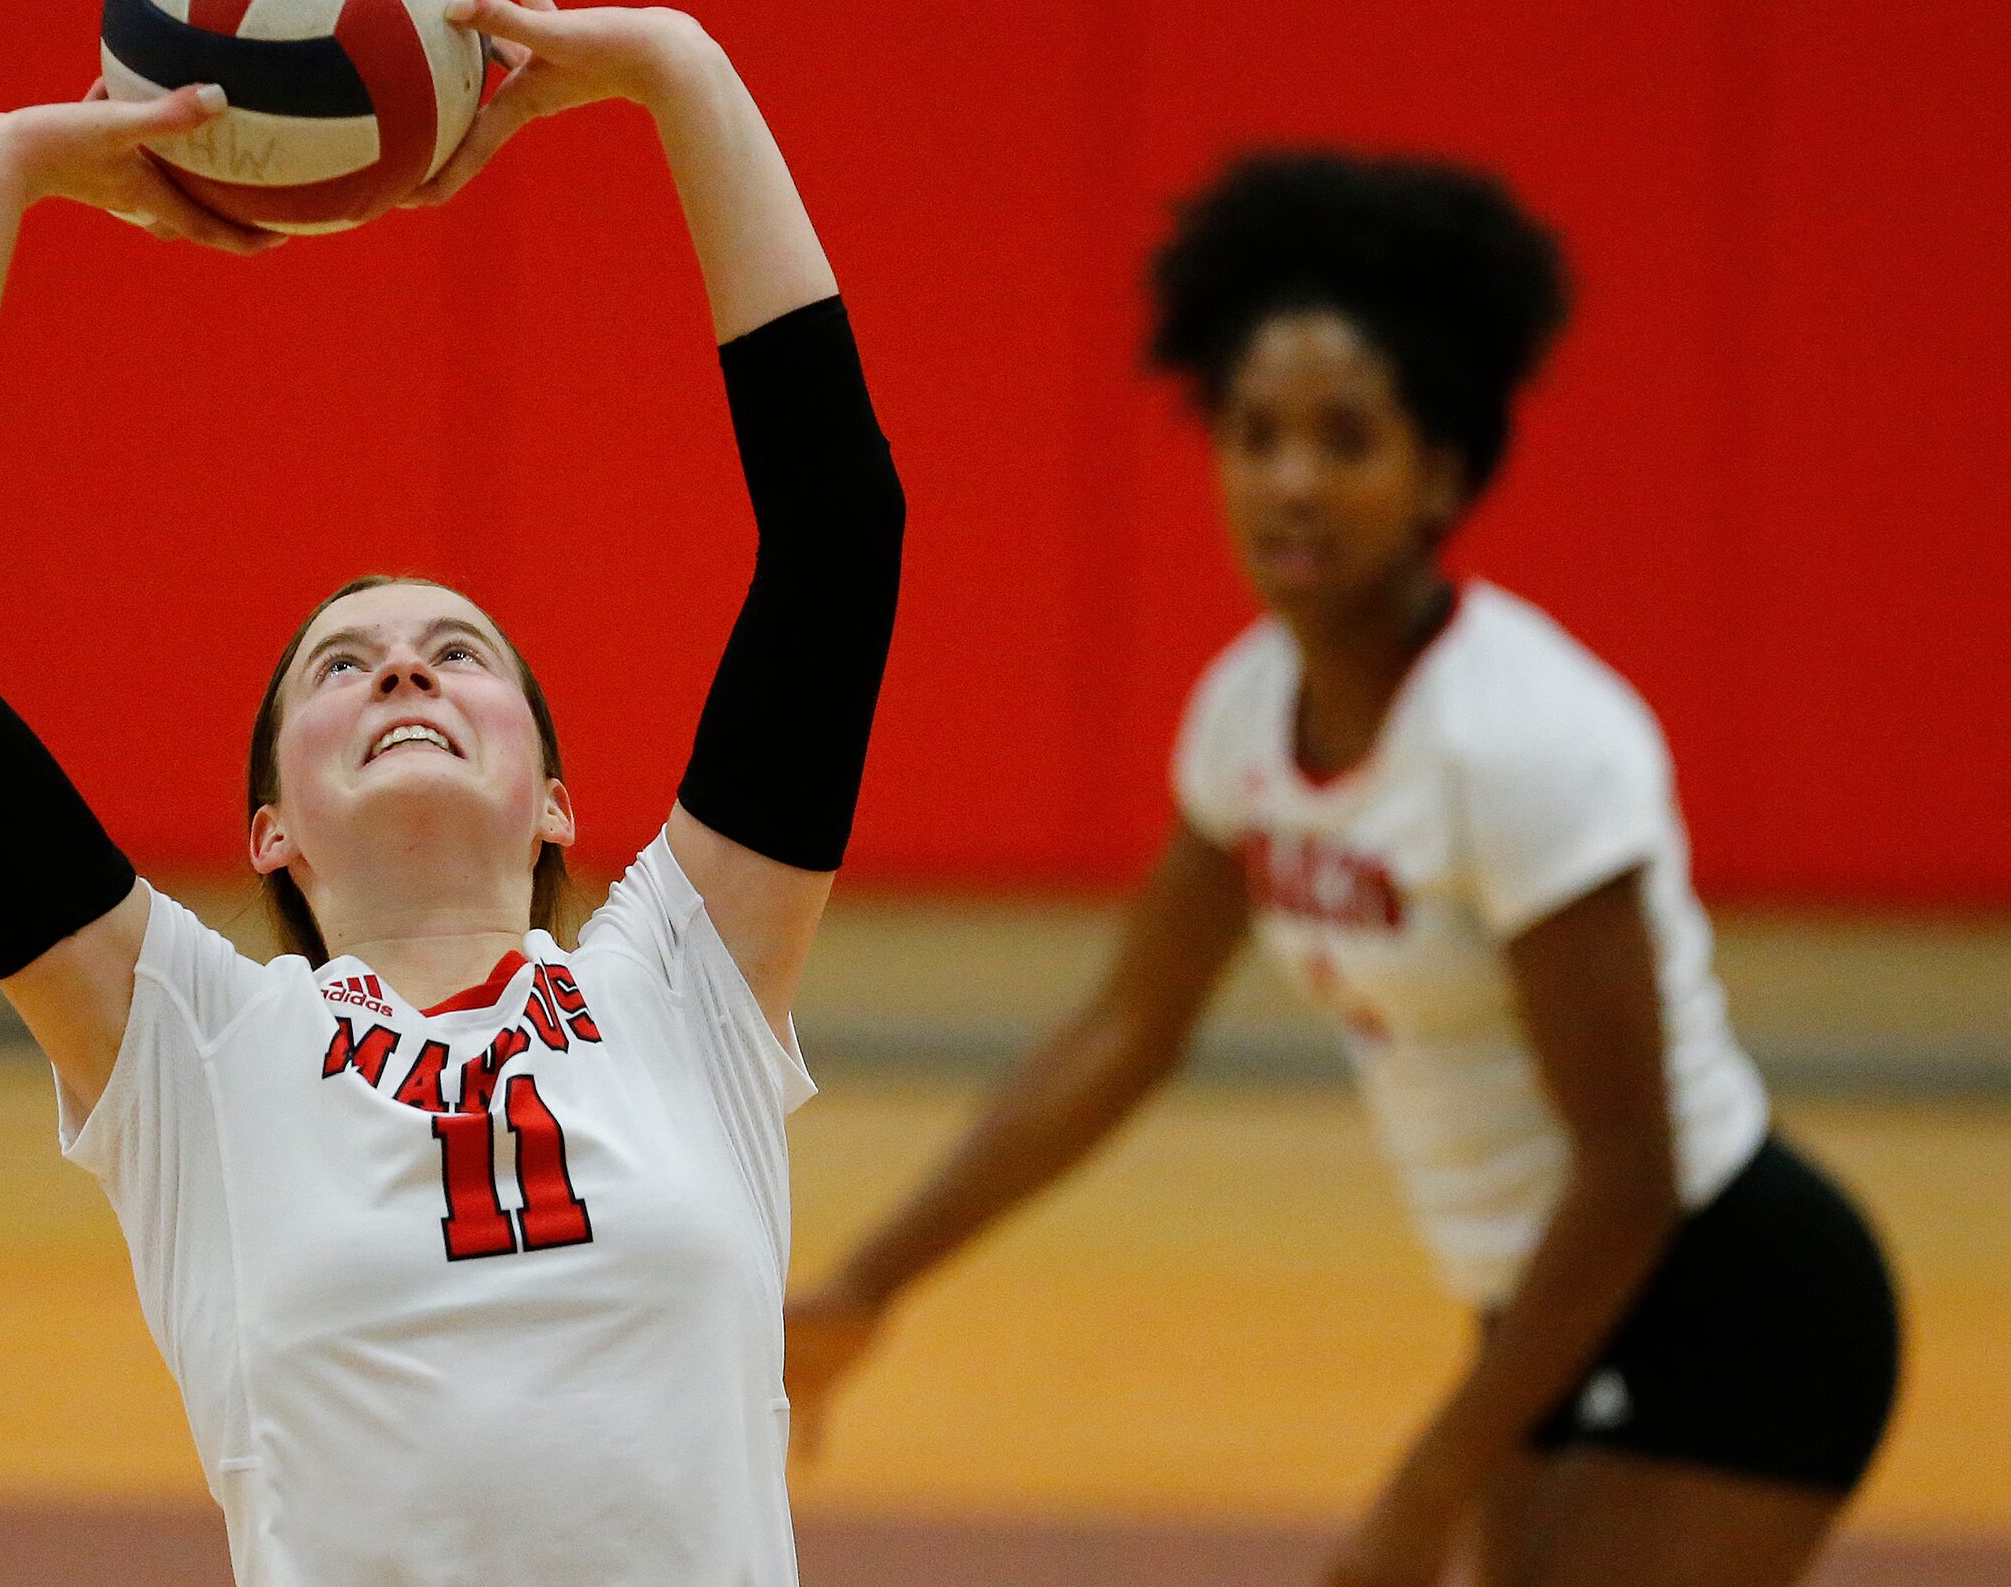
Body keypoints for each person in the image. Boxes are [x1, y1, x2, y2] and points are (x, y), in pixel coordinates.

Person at [0, 0, 903, 1586]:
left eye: (459, 654)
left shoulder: (687, 981)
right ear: (273, 825)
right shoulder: (191, 1050)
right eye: (342, 667)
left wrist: (676, 70)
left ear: (552, 798)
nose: (402, 666)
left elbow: (839, 540)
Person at [784, 152, 1897, 1587]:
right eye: (1253, 434)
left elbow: (1630, 1173)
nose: (1288, 480)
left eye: (1344, 437)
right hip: (1538, 1313)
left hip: (1726, 1302)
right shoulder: (1247, 712)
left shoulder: (1526, 743)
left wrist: (1419, 1494)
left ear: (1440, 469)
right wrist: (869, 1283)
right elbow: (1126, 1029)